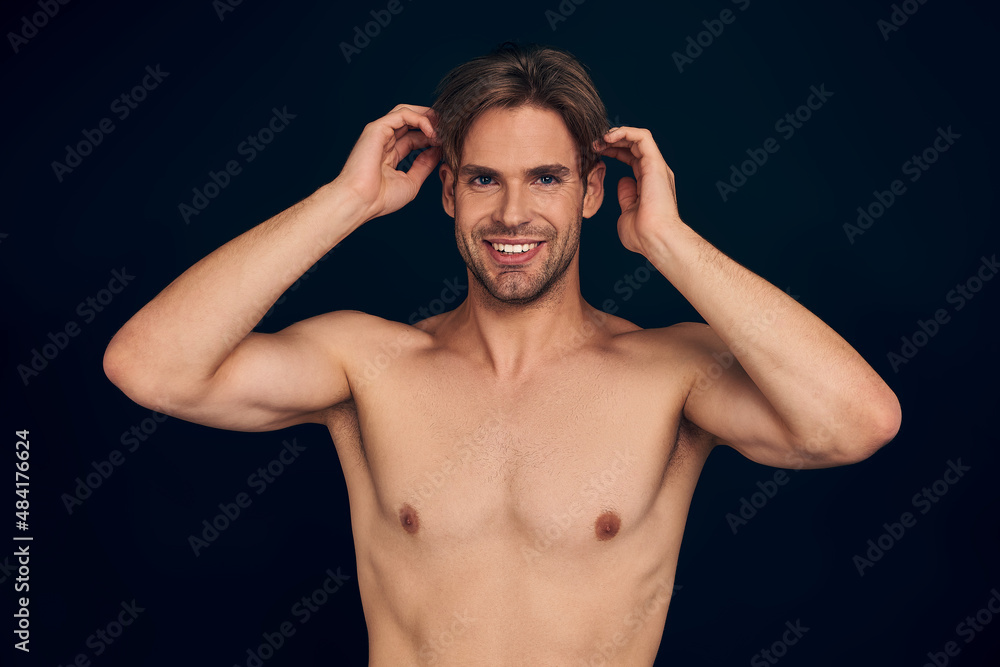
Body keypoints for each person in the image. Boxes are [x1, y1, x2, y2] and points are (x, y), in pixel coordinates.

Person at [103, 42, 901, 665]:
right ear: (447, 192)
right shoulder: (367, 365)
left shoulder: (672, 374)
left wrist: (670, 241)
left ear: (592, 191)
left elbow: (856, 423)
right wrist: (344, 202)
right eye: (483, 179)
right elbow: (149, 366)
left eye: (547, 177)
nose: (512, 213)